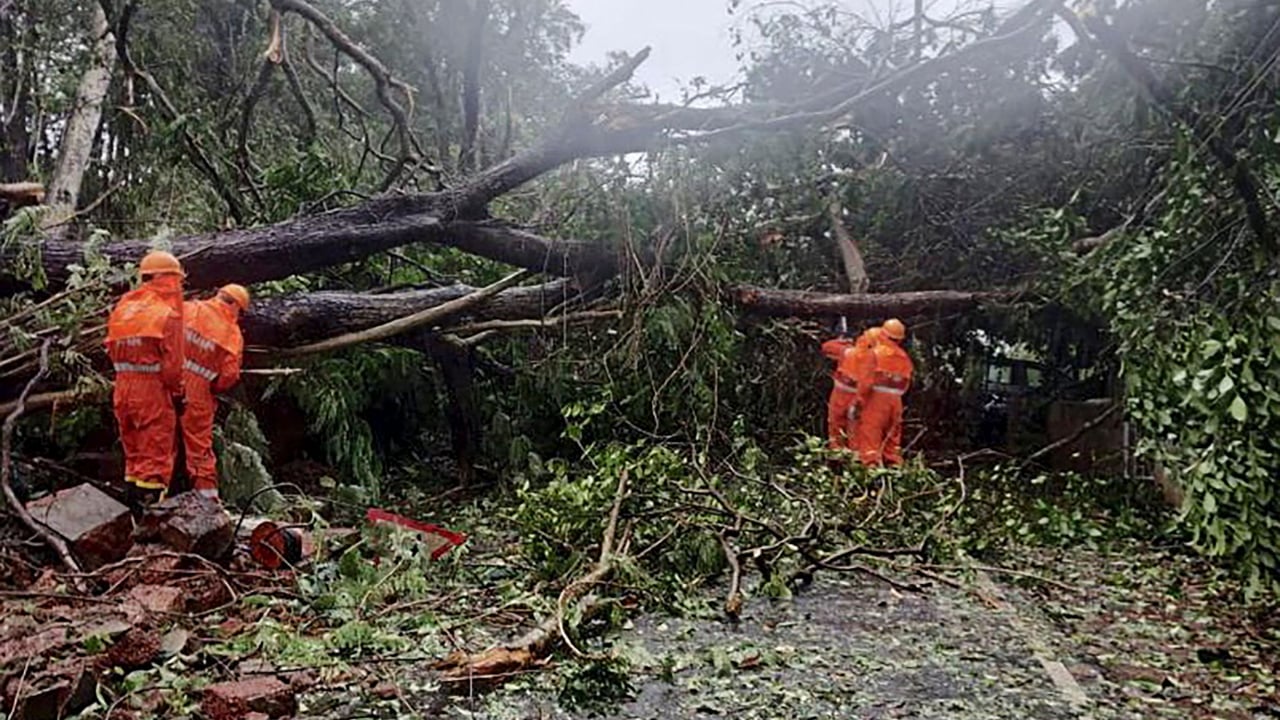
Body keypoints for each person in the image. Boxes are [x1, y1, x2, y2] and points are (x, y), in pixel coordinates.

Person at [106, 250, 185, 505]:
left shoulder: (124, 307)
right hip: (151, 391)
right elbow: (173, 368)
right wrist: (177, 392)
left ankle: (130, 516)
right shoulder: (167, 314)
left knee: (134, 453)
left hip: (122, 387)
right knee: (155, 455)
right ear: (170, 279)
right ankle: (150, 519)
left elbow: (110, 348)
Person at [180, 284, 249, 502]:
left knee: (157, 442)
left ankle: (150, 503)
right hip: (197, 392)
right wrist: (211, 386)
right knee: (199, 449)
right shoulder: (232, 334)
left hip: (164, 382)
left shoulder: (189, 308)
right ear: (236, 306)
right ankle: (207, 504)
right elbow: (229, 376)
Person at [854, 318, 914, 466]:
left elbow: (866, 382)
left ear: (883, 334)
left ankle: (871, 474)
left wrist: (859, 401)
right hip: (896, 402)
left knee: (870, 437)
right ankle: (894, 472)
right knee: (892, 442)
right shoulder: (904, 357)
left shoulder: (874, 354)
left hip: (876, 401)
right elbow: (905, 384)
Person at [821, 325, 883, 451]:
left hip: (840, 398)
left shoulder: (847, 351)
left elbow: (826, 347)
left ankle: (837, 459)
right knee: (854, 432)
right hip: (858, 400)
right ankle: (854, 462)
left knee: (836, 430)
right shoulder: (876, 360)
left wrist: (841, 341)